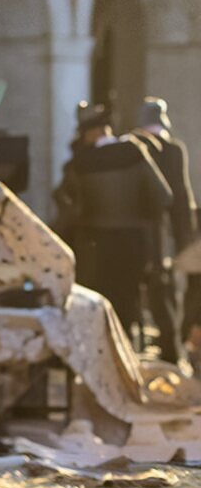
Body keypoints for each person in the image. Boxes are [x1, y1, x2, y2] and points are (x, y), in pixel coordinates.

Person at [58, 103, 173, 340]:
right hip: (134, 243)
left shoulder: (80, 163)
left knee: (101, 312)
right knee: (128, 306)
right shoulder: (134, 150)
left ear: (89, 132)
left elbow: (68, 206)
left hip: (96, 247)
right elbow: (163, 196)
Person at [131, 98, 197, 365]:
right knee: (165, 291)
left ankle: (139, 348)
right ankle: (170, 350)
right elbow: (181, 196)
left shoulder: (130, 149)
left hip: (134, 234)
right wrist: (186, 239)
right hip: (163, 234)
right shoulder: (173, 150)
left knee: (136, 292)